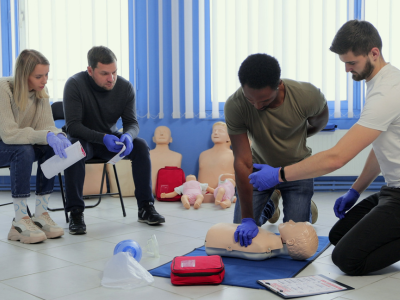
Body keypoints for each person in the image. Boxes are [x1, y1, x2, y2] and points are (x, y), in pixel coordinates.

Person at [243, 20, 400, 276]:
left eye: (352, 62)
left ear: (374, 53)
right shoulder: (379, 83)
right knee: (338, 234)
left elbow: (336, 158)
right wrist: (355, 189)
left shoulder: (388, 92)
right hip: (391, 191)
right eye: (344, 63)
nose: (347, 69)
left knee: (348, 260)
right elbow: (382, 147)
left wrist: (278, 174)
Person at [225, 53, 328, 246]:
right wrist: (247, 219)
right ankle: (271, 203)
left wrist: (302, 135)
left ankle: (305, 206)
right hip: (260, 169)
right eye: (250, 99)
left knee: (296, 240)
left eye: (264, 100)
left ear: (279, 85)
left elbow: (321, 119)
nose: (256, 106)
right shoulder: (235, 105)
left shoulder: (306, 95)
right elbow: (242, 161)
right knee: (242, 233)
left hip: (297, 169)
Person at [63, 46, 165, 234]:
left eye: (114, 72)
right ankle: (76, 212)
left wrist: (128, 136)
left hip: (109, 140)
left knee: (141, 146)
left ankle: (146, 207)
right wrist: (102, 137)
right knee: (74, 149)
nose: (111, 78)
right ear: (90, 71)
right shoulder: (75, 84)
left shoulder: (125, 87)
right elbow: (73, 126)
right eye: (104, 73)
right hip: (84, 139)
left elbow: (132, 123)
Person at [0, 49, 69, 244]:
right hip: (6, 144)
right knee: (24, 149)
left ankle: (40, 215)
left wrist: (60, 136)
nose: (44, 80)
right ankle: (20, 220)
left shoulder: (41, 93)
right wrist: (47, 135)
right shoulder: (3, 89)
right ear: (24, 75)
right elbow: (9, 134)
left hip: (18, 144)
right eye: (39, 76)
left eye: (47, 74)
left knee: (49, 148)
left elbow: (46, 126)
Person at [198, 122, 234, 189]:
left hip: (223, 196)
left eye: (221, 131)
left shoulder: (234, 155)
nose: (216, 133)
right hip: (201, 196)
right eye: (214, 131)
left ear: (229, 137)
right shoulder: (203, 155)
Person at [150, 126, 182, 195]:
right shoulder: (147, 155)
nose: (161, 134)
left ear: (170, 139)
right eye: (158, 132)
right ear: (153, 139)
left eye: (165, 132)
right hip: (149, 193)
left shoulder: (177, 156)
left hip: (170, 193)